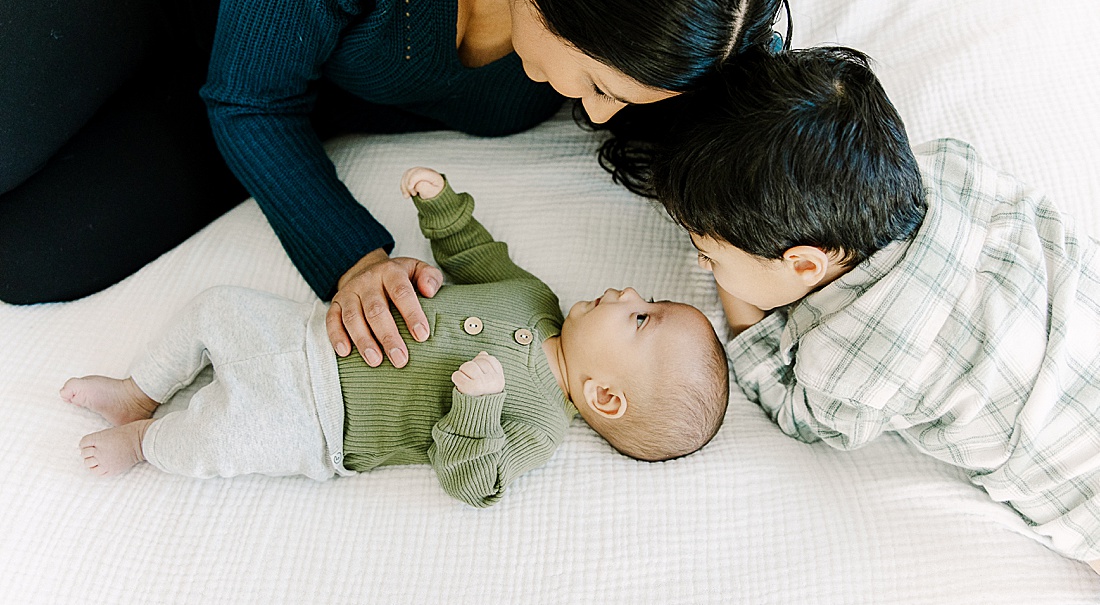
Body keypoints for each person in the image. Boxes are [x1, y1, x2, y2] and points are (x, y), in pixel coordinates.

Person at [0, 0, 790, 371]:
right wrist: (353, 260)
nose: (597, 114)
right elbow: (248, 100)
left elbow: (742, 107)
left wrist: (760, 260)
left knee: (26, 254)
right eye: (594, 84)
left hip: (291, 72)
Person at [649, 45, 1100, 569]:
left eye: (708, 253)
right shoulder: (949, 167)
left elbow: (799, 414)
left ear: (803, 266)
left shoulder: (851, 362)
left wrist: (747, 315)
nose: (702, 266)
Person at [59, 167, 730, 507]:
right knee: (214, 307)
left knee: (218, 439)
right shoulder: (535, 298)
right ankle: (137, 388)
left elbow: (475, 481)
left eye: (642, 317)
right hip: (311, 332)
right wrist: (441, 204)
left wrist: (478, 406)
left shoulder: (540, 425)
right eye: (648, 297)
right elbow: (473, 253)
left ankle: (146, 441)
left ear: (604, 397)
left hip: (320, 425)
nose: (626, 294)